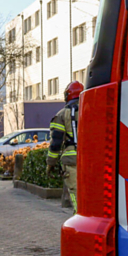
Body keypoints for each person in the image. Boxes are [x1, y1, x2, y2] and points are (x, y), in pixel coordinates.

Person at [47, 81, 82, 212]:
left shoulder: (62, 114)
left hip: (71, 161)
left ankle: (80, 224)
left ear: (68, 95)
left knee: (77, 197)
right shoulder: (93, 108)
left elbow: (56, 143)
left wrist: (50, 164)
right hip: (92, 161)